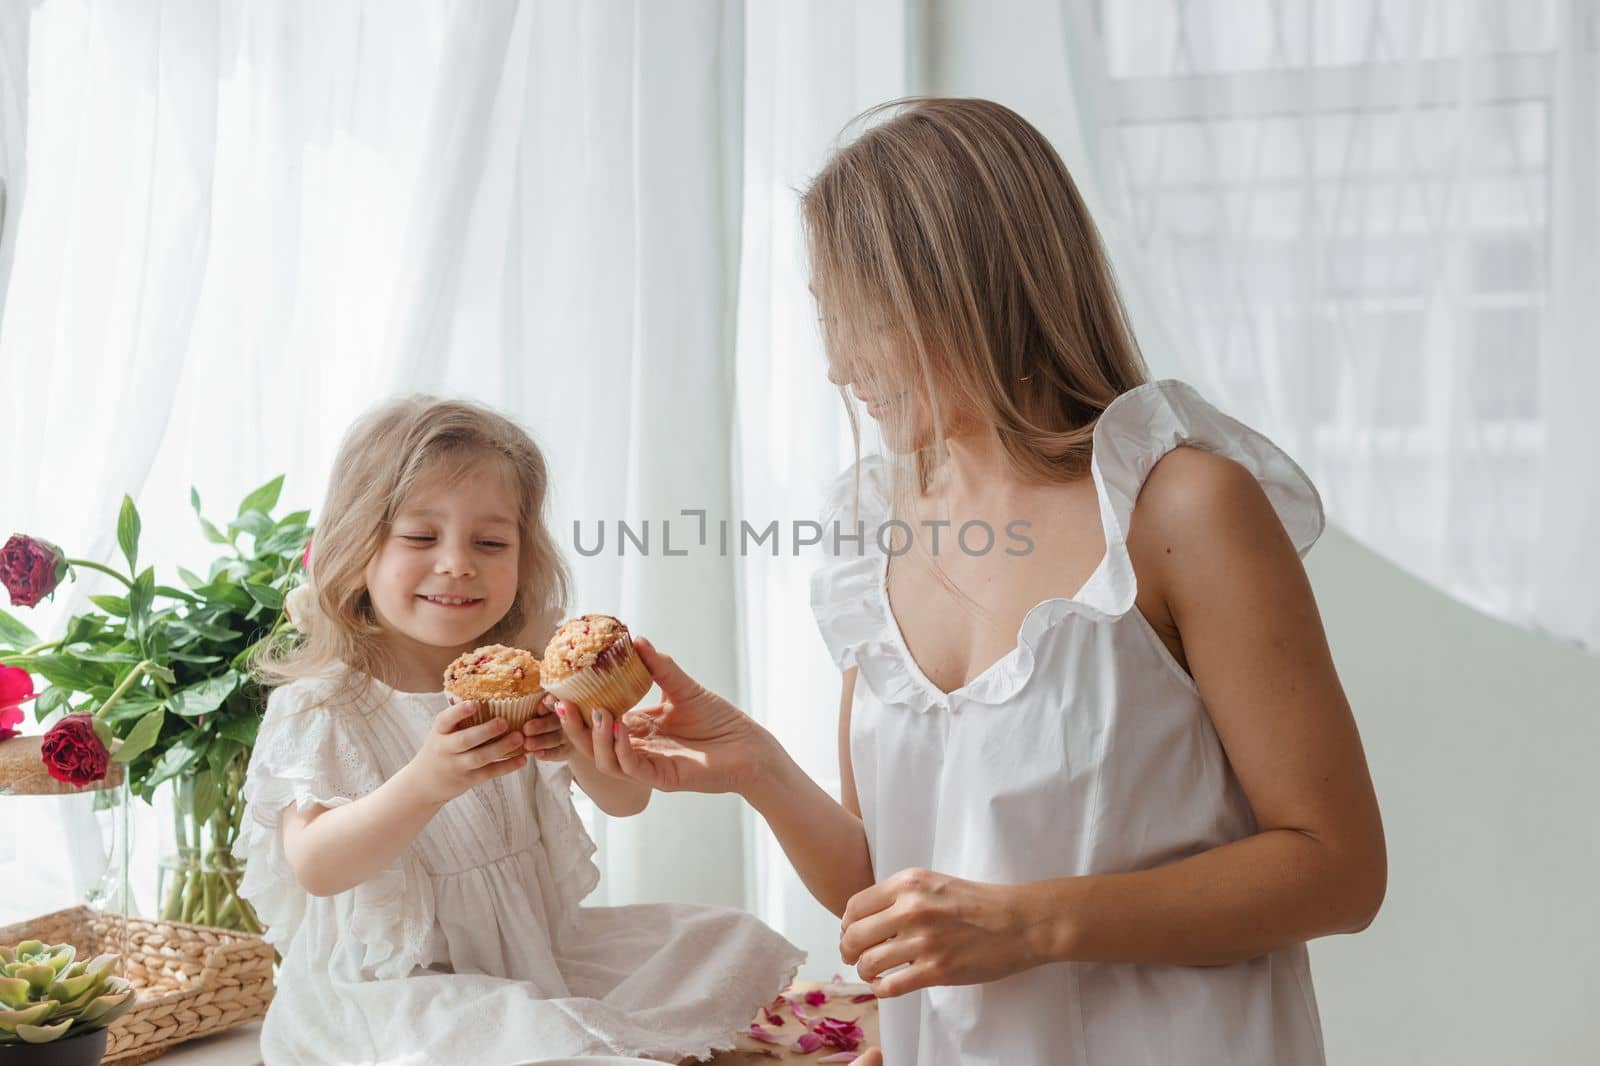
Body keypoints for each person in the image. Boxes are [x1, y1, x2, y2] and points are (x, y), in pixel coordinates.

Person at [556, 98, 1386, 1065]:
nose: (836, 366)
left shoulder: (1179, 506)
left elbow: (1337, 870)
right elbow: (892, 883)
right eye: (828, 320)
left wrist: (1032, 925)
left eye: (860, 319)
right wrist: (757, 768)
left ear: (966, 291)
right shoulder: (876, 529)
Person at [237, 396, 803, 1065]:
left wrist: (585, 746)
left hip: (537, 957)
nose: (457, 563)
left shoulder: (537, 678)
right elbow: (317, 867)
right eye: (421, 537)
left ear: (526, 556)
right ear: (357, 547)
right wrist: (425, 783)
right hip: (398, 991)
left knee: (720, 939)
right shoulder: (326, 703)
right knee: (510, 1029)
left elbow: (628, 801)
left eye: (492, 542)